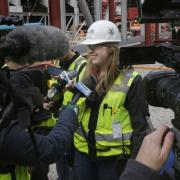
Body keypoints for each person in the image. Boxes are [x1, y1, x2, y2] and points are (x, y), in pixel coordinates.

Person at [72, 20, 149, 180]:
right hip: (83, 154)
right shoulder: (84, 74)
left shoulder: (131, 80)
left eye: (97, 46)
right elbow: (75, 111)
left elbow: (140, 128)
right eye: (89, 47)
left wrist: (134, 165)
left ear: (112, 49)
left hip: (113, 161)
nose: (91, 51)